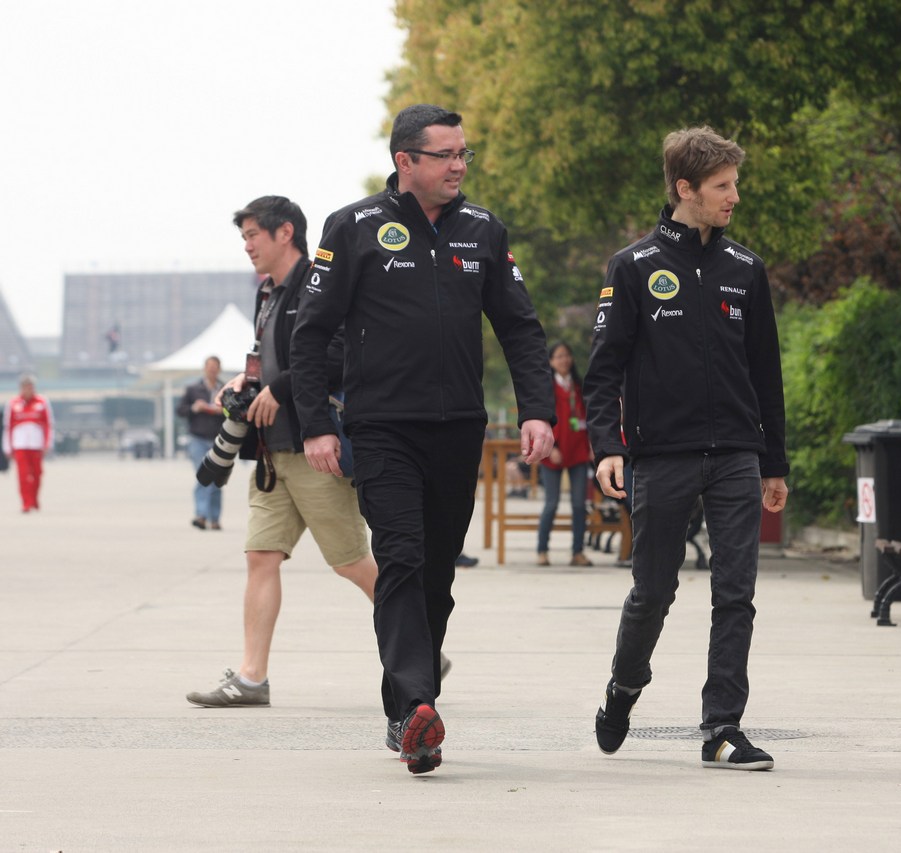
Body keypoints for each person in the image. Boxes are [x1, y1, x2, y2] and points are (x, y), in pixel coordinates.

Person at [291, 104, 555, 775]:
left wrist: (537, 410)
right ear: (405, 161)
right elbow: (311, 332)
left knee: (436, 573)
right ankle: (417, 707)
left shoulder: (484, 231)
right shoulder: (353, 229)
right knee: (402, 557)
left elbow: (521, 329)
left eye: (463, 153)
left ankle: (404, 713)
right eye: (444, 155)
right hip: (381, 427)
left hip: (459, 426)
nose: (459, 166)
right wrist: (318, 422)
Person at [583, 126, 789, 771]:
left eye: (735, 185)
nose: (734, 198)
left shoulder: (746, 270)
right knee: (654, 591)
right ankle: (623, 689)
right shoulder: (633, 266)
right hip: (660, 455)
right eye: (723, 187)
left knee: (736, 592)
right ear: (686, 189)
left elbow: (766, 373)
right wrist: (606, 446)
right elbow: (603, 369)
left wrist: (773, 461)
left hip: (734, 454)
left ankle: (722, 727)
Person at [186, 196, 379, 710]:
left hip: (314, 445)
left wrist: (283, 387)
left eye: (253, 235)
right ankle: (252, 678)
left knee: (351, 563)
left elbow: (340, 354)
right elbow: (268, 362)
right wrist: (248, 382)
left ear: (284, 232)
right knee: (260, 556)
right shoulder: (267, 293)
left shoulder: (324, 280)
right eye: (244, 236)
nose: (247, 245)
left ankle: (418, 646)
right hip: (272, 453)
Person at [536, 342, 593, 567]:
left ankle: (577, 552)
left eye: (567, 355)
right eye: (559, 356)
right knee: (551, 503)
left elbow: (588, 418)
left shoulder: (578, 387)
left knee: (580, 504)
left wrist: (591, 445)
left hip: (578, 450)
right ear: (550, 362)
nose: (564, 360)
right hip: (553, 453)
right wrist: (552, 447)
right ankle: (542, 550)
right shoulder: (547, 388)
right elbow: (544, 419)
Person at [177, 355, 225, 530]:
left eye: (215, 367)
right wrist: (193, 408)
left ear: (219, 369)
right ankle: (201, 515)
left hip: (218, 441)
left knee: (216, 479)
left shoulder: (225, 389)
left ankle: (215, 518)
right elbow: (180, 410)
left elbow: (236, 413)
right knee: (203, 476)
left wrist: (223, 410)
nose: (212, 370)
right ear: (204, 368)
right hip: (197, 439)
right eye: (209, 366)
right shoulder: (193, 389)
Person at [3, 374, 53, 513]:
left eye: (30, 387)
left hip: (36, 444)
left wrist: (48, 443)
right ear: (21, 388)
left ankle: (34, 499)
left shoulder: (42, 402)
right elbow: (8, 426)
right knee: (23, 475)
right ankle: (26, 502)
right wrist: (7, 446)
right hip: (20, 445)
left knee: (37, 474)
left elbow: (49, 425)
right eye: (25, 387)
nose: (28, 390)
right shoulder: (13, 404)